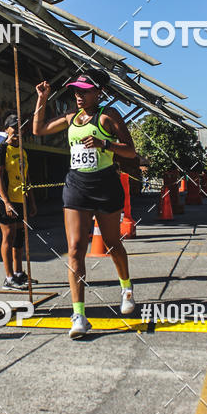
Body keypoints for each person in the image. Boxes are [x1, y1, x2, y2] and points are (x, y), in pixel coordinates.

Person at [33, 69, 137, 339]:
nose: (79, 95)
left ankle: (126, 288)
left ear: (99, 92)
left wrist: (105, 144)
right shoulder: (71, 118)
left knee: (112, 243)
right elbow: (38, 130)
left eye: (85, 91)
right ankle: (78, 315)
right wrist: (42, 99)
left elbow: (130, 151)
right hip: (77, 187)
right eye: (76, 91)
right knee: (75, 249)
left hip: (105, 186)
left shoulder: (108, 116)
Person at [0, 113, 36, 290]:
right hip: (5, 198)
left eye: (20, 127)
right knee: (8, 236)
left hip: (20, 198)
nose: (17, 131)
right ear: (6, 130)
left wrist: (32, 201)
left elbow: (27, 177)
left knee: (19, 238)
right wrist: (6, 201)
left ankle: (18, 273)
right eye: (13, 127)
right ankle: (9, 278)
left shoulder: (22, 151)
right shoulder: (1, 149)